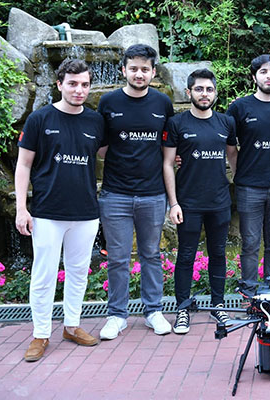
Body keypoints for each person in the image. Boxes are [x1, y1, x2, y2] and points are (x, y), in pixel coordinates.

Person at [15, 58, 104, 361]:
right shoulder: (39, 119)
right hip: (47, 212)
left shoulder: (95, 121)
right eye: (73, 84)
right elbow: (23, 165)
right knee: (44, 275)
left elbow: (113, 154)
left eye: (85, 84)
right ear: (59, 84)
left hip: (86, 212)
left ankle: (72, 326)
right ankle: (41, 334)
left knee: (78, 272)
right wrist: (21, 209)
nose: (79, 90)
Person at [97, 44, 174, 339]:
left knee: (151, 254)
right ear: (123, 70)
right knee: (117, 258)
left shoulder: (162, 103)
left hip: (153, 193)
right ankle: (117, 315)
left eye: (144, 69)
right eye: (133, 68)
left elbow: (168, 145)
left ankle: (153, 311)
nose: (138, 74)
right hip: (115, 193)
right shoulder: (108, 102)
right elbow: (101, 148)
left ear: (153, 72)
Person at [163, 68, 238, 334]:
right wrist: (174, 203)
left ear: (215, 93)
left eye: (209, 89)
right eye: (199, 89)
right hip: (189, 203)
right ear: (189, 92)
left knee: (218, 254)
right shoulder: (177, 123)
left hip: (219, 201)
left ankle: (218, 305)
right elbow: (168, 163)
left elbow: (233, 156)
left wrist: (240, 187)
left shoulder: (226, 122)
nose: (204, 94)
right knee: (186, 256)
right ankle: (182, 309)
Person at [226, 55, 270, 293]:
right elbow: (230, 147)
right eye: (264, 72)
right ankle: (249, 289)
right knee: (250, 243)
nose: (269, 76)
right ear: (254, 76)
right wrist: (239, 175)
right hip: (249, 187)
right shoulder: (239, 108)